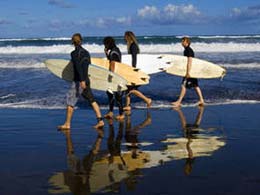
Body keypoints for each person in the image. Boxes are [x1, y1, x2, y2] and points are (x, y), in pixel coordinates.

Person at [58, 33, 104, 130]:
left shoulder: (74, 53)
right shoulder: (87, 52)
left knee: (70, 102)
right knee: (92, 100)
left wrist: (81, 80)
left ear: (73, 42)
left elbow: (78, 67)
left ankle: (67, 124)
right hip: (86, 79)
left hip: (79, 81)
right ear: (81, 41)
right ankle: (100, 121)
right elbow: (88, 66)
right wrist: (85, 79)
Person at [172, 36, 205, 107]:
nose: (181, 43)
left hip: (190, 71)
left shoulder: (188, 50)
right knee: (195, 85)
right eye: (181, 41)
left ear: (187, 42)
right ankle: (201, 100)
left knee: (183, 85)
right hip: (192, 70)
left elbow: (189, 61)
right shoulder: (187, 50)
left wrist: (187, 72)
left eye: (183, 41)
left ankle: (179, 102)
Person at [123, 31, 152, 111]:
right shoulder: (132, 46)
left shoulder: (133, 46)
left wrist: (133, 70)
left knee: (132, 89)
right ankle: (128, 105)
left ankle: (147, 100)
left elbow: (134, 59)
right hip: (133, 70)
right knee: (128, 89)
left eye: (125, 37)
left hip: (134, 71)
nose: (124, 38)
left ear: (129, 37)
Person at [103, 36, 125, 120]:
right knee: (110, 93)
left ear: (108, 43)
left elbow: (112, 64)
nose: (104, 45)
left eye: (105, 44)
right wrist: (106, 53)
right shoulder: (116, 50)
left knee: (117, 95)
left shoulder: (113, 52)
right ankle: (111, 112)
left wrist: (110, 75)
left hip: (115, 76)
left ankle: (121, 114)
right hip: (117, 74)